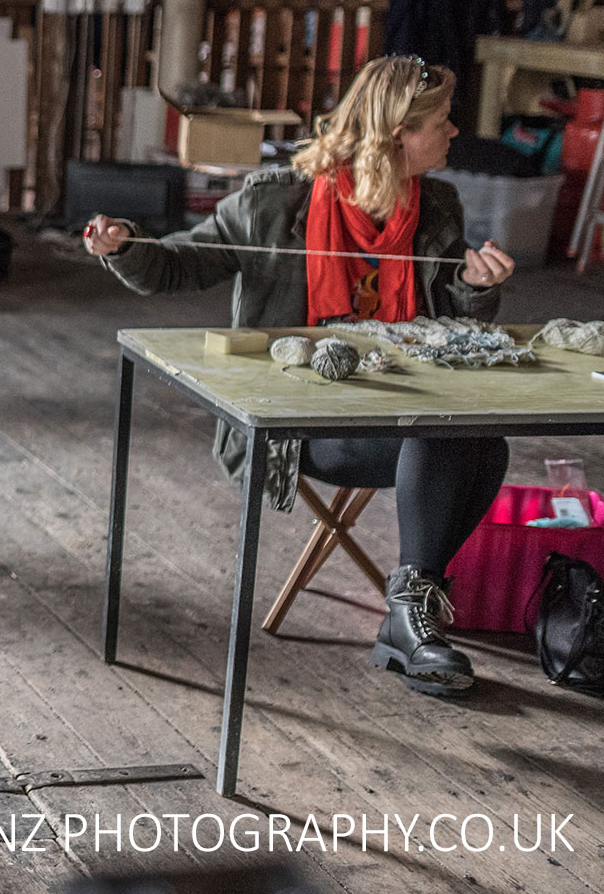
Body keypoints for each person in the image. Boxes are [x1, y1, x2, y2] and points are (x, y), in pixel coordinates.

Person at [83, 55, 516, 698]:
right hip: (301, 422)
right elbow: (178, 266)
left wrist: (474, 287)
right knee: (446, 435)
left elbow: (448, 320)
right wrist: (123, 245)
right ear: (398, 133)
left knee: (485, 439)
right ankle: (411, 615)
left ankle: (409, 606)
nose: (454, 133)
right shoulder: (273, 202)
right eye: (443, 122)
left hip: (398, 402)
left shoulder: (439, 206)